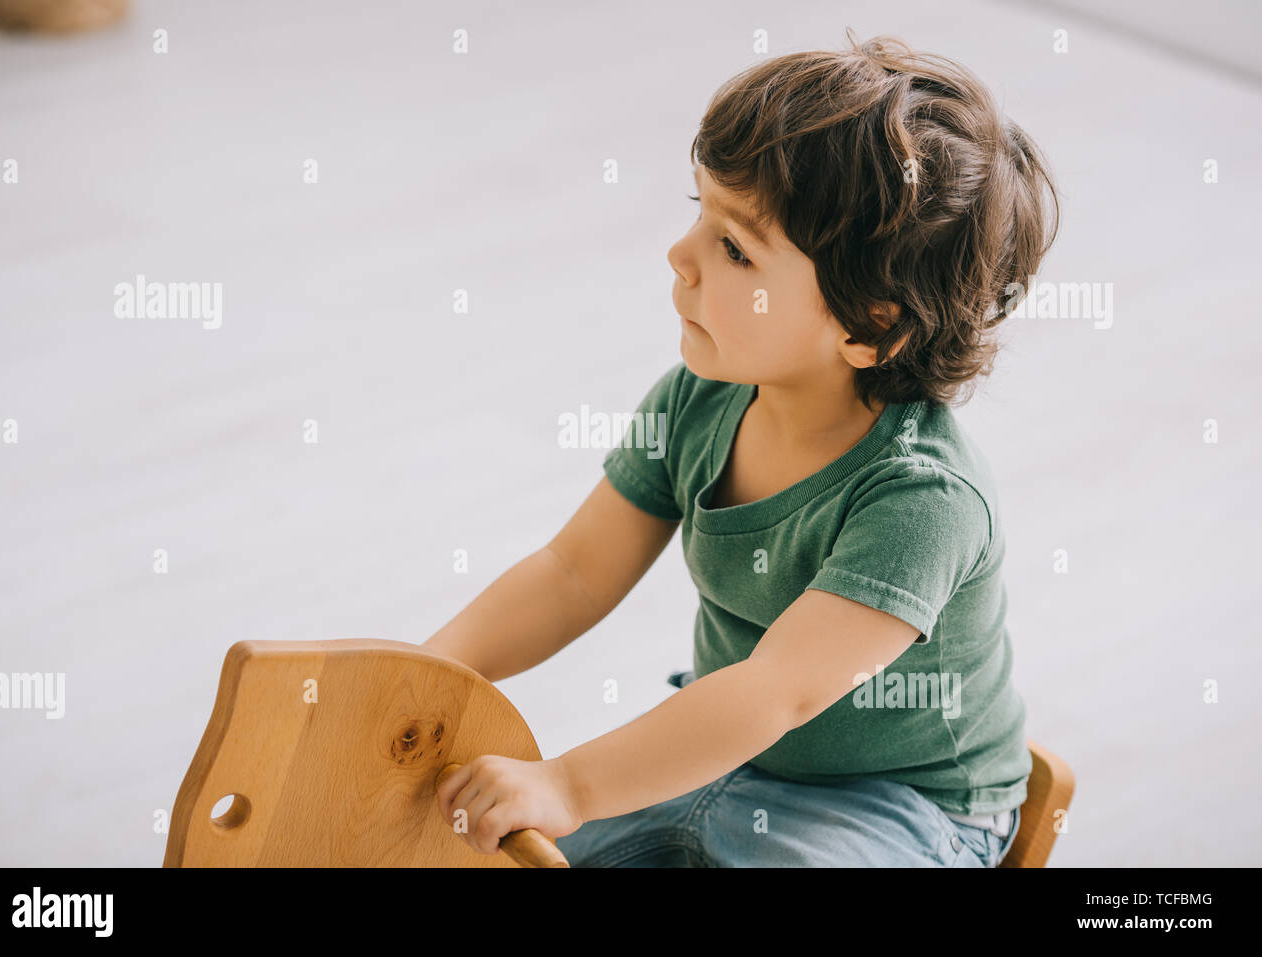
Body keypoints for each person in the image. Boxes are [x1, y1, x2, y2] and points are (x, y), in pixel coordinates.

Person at [423, 31, 1058, 867]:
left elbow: (778, 690)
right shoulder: (700, 399)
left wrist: (571, 785)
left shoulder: (922, 500)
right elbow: (573, 572)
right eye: (700, 213)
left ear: (869, 326)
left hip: (901, 803)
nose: (679, 257)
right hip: (726, 744)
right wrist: (426, 670)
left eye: (733, 248)